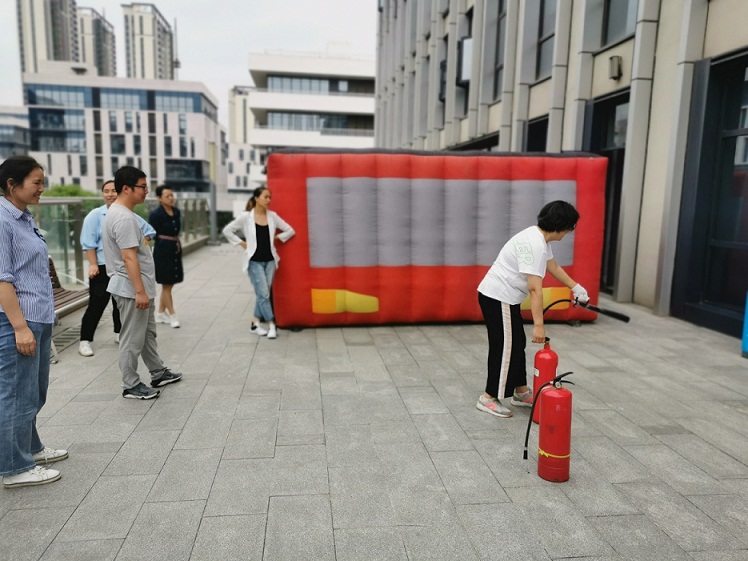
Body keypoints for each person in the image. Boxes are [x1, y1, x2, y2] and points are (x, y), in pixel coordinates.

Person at [476, 200, 589, 418]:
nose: (569, 232)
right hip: (499, 297)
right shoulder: (535, 245)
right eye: (570, 227)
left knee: (517, 343)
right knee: (505, 348)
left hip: (503, 298)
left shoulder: (539, 239)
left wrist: (576, 287)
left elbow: (552, 266)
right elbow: (535, 289)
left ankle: (520, 391)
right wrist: (539, 326)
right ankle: (488, 397)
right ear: (561, 226)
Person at [0, 156, 67, 488]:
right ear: (12, 185)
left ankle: (31, 448)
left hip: (38, 316)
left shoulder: (23, 217)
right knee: (16, 394)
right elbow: (2, 279)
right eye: (36, 182)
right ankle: (14, 467)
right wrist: (19, 327)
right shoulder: (2, 220)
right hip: (19, 320)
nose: (42, 188)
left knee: (33, 392)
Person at [103, 166, 182, 399]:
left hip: (137, 287)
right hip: (130, 288)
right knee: (132, 338)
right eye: (143, 187)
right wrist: (139, 291)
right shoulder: (123, 218)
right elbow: (129, 257)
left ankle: (158, 372)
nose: (147, 191)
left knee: (146, 334)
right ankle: (130, 384)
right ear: (126, 189)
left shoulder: (124, 214)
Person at [78, 180, 155, 357]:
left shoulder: (128, 215)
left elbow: (149, 232)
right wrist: (93, 264)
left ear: (120, 192)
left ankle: (119, 333)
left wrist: (138, 245)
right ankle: (85, 340)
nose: (110, 194)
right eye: (106, 191)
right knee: (96, 305)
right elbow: (88, 243)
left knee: (119, 305)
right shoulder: (95, 215)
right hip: (102, 267)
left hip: (122, 267)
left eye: (113, 190)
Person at [222, 187, 295, 339]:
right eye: (266, 197)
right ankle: (271, 324)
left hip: (270, 261)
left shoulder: (272, 216)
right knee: (264, 294)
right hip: (254, 261)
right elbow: (227, 230)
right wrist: (242, 243)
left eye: (270, 197)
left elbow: (290, 230)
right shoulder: (246, 217)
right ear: (256, 198)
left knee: (263, 294)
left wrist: (277, 237)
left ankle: (255, 324)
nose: (269, 200)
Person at [149, 185, 183, 328]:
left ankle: (160, 313)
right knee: (166, 284)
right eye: (167, 196)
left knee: (169, 284)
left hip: (174, 249)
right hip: (162, 251)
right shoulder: (156, 214)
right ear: (159, 198)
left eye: (171, 195)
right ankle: (173, 315)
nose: (170, 198)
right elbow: (151, 233)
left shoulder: (176, 212)